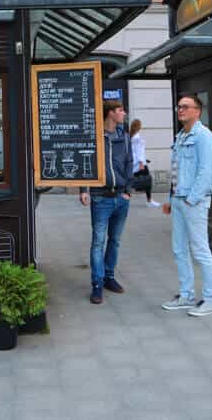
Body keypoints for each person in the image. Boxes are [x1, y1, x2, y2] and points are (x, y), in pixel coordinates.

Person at [162, 94, 212, 317]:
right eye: (179, 107)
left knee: (200, 250)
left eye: (185, 107)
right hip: (178, 199)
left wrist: (191, 199)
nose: (180, 110)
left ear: (198, 111)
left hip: (193, 201)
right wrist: (171, 198)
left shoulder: (204, 136)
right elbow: (176, 169)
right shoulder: (180, 136)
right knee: (179, 249)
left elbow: (206, 171)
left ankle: (211, 298)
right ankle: (186, 295)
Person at [79, 100, 135, 305]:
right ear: (110, 113)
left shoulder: (125, 138)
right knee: (98, 242)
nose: (124, 113)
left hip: (121, 197)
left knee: (115, 240)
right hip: (99, 197)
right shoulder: (94, 137)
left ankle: (109, 278)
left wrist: (128, 191)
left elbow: (130, 164)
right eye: (120, 110)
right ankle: (97, 284)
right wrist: (84, 189)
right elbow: (85, 162)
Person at [130, 118, 160, 208]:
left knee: (135, 178)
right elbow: (139, 151)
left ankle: (149, 199)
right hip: (140, 163)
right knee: (148, 180)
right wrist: (142, 163)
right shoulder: (137, 137)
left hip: (136, 162)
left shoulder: (131, 136)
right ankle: (149, 200)